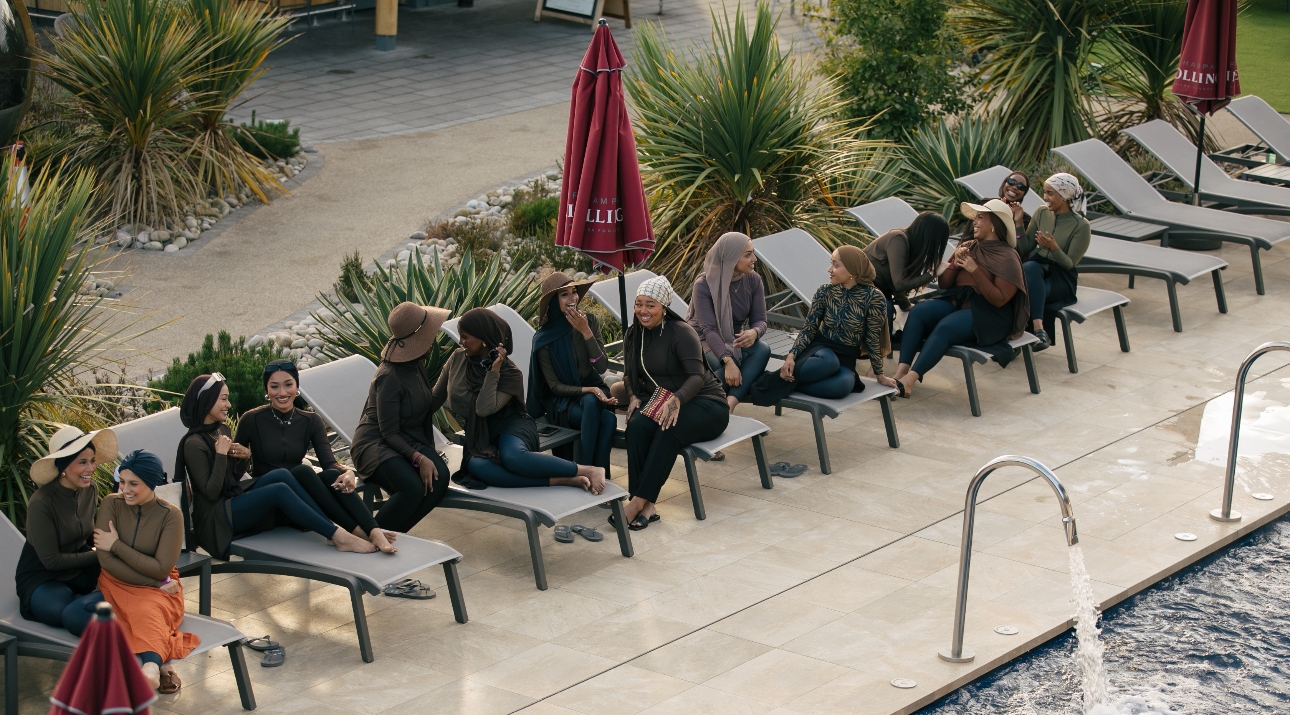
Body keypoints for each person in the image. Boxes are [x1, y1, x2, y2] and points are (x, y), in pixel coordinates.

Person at [178, 373, 379, 557]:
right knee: (278, 491)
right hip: (215, 518)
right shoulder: (193, 444)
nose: (228, 404)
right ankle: (338, 536)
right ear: (206, 401)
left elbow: (232, 479)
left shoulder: (220, 429)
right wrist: (221, 454)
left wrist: (243, 459)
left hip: (230, 500)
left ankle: (339, 531)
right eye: (223, 399)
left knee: (282, 474)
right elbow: (211, 494)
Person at [236, 360, 396, 553]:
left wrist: (347, 473)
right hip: (271, 503)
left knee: (330, 476)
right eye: (274, 386)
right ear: (266, 389)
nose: (282, 392)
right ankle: (356, 533)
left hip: (305, 505)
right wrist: (241, 456)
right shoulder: (251, 419)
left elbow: (329, 464)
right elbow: (234, 471)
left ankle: (372, 530)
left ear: (297, 387)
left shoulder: (311, 420)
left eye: (288, 384)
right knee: (303, 470)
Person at [445, 307, 606, 491]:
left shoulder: (510, 373)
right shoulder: (457, 359)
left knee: (513, 457)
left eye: (465, 336)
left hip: (512, 426)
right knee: (477, 467)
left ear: (483, 339)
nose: (460, 341)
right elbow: (434, 397)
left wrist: (493, 372)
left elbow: (484, 408)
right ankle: (566, 480)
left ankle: (586, 470)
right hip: (480, 434)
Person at [618, 276, 730, 530]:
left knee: (668, 430)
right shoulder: (633, 334)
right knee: (636, 426)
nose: (643, 311)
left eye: (650, 305)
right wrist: (634, 395)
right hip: (662, 401)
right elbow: (629, 374)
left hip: (706, 403)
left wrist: (678, 399)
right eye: (639, 304)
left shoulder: (682, 333)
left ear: (664, 307)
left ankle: (636, 503)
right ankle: (646, 505)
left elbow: (697, 377)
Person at [894, 200, 1029, 398]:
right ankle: (900, 372)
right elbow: (945, 284)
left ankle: (910, 380)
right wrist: (955, 264)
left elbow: (999, 299)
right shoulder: (969, 246)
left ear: (994, 224)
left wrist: (974, 270)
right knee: (919, 312)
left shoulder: (1007, 256)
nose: (974, 221)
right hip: (957, 301)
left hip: (989, 313)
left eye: (980, 217)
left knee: (946, 327)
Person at [94, 450, 193, 693]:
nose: (125, 489)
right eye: (122, 481)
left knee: (149, 610)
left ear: (151, 484)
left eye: (133, 484)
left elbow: (162, 567)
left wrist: (116, 545)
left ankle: (150, 667)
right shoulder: (111, 503)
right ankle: (159, 668)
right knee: (124, 616)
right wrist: (155, 581)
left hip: (162, 584)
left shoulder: (171, 515)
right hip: (117, 581)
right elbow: (106, 561)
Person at [350, 302, 454, 533]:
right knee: (412, 488)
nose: (433, 338)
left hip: (406, 437)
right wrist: (419, 458)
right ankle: (371, 537)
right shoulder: (389, 376)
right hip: (375, 444)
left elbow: (426, 405)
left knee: (439, 479)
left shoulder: (415, 364)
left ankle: (392, 536)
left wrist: (450, 368)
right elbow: (388, 432)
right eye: (430, 334)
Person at [17, 427, 115, 635]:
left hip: (80, 571)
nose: (91, 468)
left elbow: (90, 533)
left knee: (127, 582)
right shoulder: (42, 503)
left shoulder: (91, 490)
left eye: (92, 460)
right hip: (43, 578)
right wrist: (97, 555)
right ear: (63, 467)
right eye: (82, 462)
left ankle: (108, 608)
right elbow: (52, 561)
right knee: (63, 613)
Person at [527, 272, 617, 471]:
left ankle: (588, 473)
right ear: (552, 301)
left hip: (593, 391)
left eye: (574, 292)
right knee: (607, 418)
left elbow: (601, 366)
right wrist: (589, 390)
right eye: (564, 294)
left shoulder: (589, 322)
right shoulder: (543, 339)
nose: (573, 298)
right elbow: (554, 386)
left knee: (599, 409)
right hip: (561, 402)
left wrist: (586, 332)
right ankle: (592, 473)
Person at [779, 246, 895, 398]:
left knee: (844, 385)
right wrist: (791, 356)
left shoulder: (874, 298)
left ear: (852, 269)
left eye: (835, 265)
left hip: (847, 355)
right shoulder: (825, 292)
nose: (829, 269)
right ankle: (782, 378)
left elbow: (873, 338)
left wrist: (880, 375)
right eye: (831, 263)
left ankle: (788, 384)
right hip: (820, 350)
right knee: (829, 361)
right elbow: (809, 329)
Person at [686, 232, 771, 414]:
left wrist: (754, 332)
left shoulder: (753, 280)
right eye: (747, 255)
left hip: (732, 337)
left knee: (762, 350)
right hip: (702, 339)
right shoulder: (704, 284)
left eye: (753, 253)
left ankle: (729, 404)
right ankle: (698, 409)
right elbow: (708, 329)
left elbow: (761, 320)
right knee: (722, 367)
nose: (754, 259)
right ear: (731, 257)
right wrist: (728, 361)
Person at [1016, 173, 1092, 349]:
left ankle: (1019, 339)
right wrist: (1019, 223)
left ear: (1064, 196)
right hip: (1038, 270)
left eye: (1050, 193)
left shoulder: (1081, 226)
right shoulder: (1042, 213)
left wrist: (1054, 248)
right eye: (1045, 192)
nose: (1045, 197)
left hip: (1062, 277)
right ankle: (1038, 329)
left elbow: (1069, 263)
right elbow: (1025, 246)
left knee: (1024, 293)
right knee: (1030, 267)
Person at [864, 212, 951, 313]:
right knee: (885, 309)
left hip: (877, 291)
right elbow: (900, 284)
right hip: (858, 288)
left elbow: (894, 280)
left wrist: (905, 305)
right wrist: (933, 273)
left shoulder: (913, 248)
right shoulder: (898, 239)